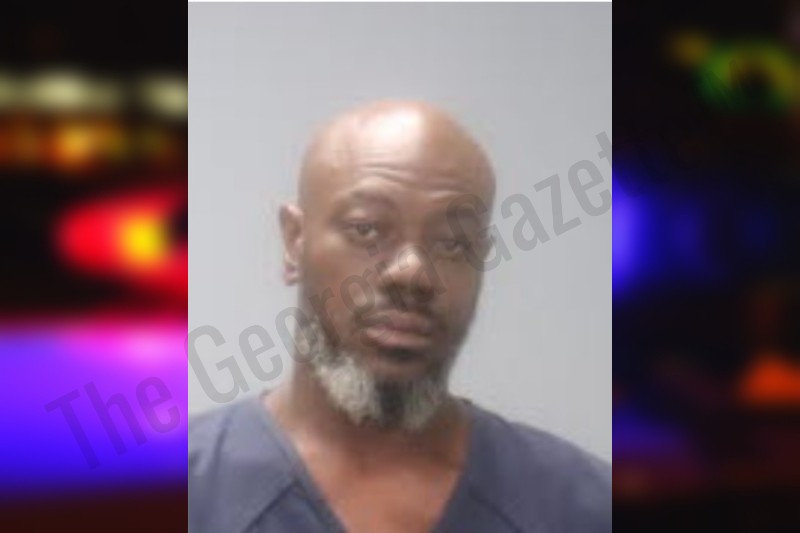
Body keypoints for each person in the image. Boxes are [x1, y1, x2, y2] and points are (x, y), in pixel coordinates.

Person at [189, 100, 611, 533]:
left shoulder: (581, 508)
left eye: (453, 243)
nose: (412, 273)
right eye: (367, 230)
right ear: (295, 242)